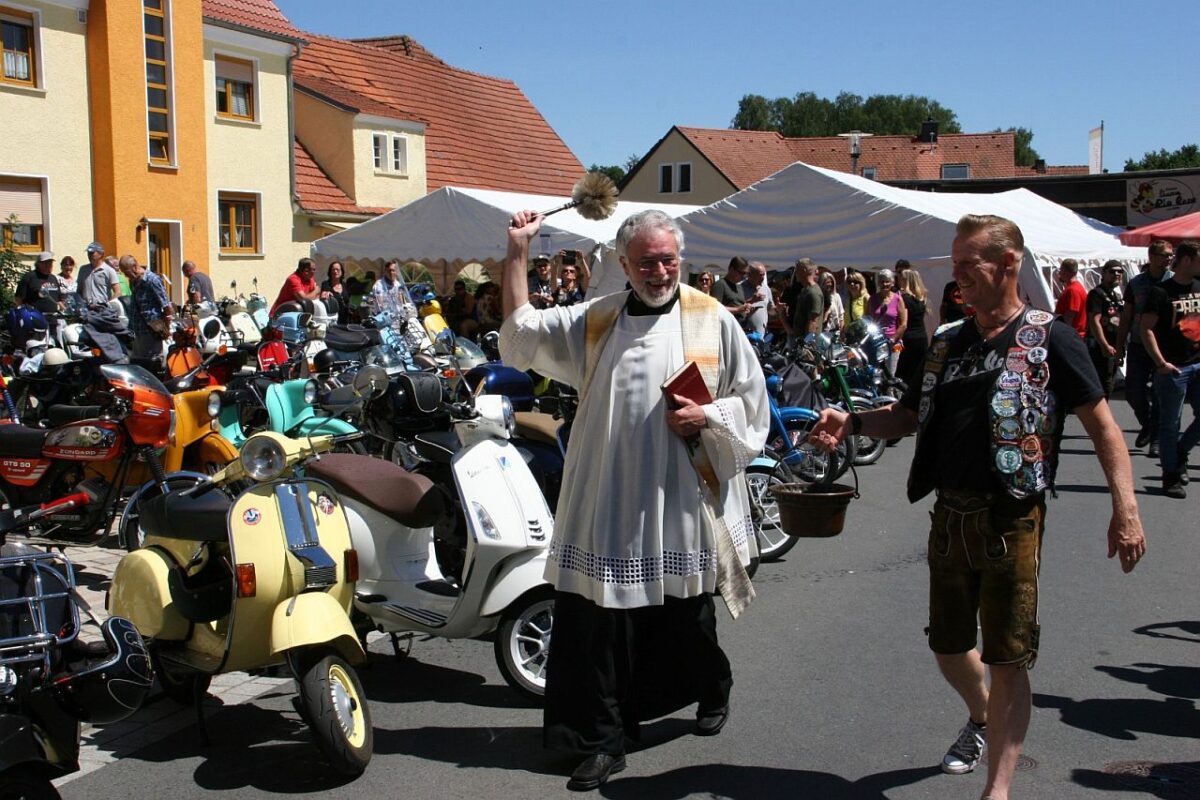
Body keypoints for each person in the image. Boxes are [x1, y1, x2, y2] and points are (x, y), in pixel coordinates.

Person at [810, 213, 1146, 800]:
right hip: (950, 515)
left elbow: (1104, 428)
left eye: (969, 263)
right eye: (956, 262)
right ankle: (983, 715)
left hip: (1012, 517)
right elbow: (908, 416)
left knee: (1008, 655)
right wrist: (854, 421)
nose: (957, 274)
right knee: (947, 645)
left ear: (1008, 264)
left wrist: (1126, 509)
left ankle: (999, 788)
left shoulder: (1051, 338)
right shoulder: (946, 341)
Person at [500, 208, 768, 792]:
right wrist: (518, 251)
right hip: (609, 493)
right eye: (646, 262)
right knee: (598, 621)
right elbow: (521, 336)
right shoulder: (597, 319)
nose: (660, 271)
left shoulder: (712, 319)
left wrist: (708, 416)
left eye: (668, 260)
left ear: (681, 259)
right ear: (623, 264)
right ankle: (602, 740)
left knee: (687, 618)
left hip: (681, 494)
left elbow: (752, 405)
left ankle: (713, 686)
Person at [1139, 239, 1200, 499]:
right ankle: (1170, 476)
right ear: (1186, 260)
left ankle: (1180, 452)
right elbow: (1146, 329)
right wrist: (1160, 362)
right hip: (1173, 368)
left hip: (1197, 363)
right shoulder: (1161, 292)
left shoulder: (1199, 286)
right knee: (1170, 424)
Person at [1116, 239, 1175, 455]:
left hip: (1164, 346)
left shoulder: (1174, 281)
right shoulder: (1136, 283)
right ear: (1151, 257)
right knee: (1133, 392)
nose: (1169, 259)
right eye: (1164, 255)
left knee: (1160, 393)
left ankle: (1156, 439)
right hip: (1139, 344)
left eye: (1171, 255)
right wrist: (1119, 346)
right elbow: (1126, 317)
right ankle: (1147, 423)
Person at [118, 255, 173, 364]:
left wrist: (166, 327)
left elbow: (166, 305)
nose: (125, 275)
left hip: (152, 330)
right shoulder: (134, 281)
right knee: (138, 362)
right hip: (137, 330)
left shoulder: (152, 280)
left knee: (153, 362)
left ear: (134, 267)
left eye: (126, 272)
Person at [1085, 260, 1125, 399]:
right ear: (1103, 273)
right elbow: (1094, 321)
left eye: (1120, 271)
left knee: (1108, 384)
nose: (1117, 274)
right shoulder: (1097, 294)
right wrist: (1104, 345)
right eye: (1112, 271)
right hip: (1100, 348)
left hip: (1114, 347)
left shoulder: (1115, 296)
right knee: (1102, 384)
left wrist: (1120, 347)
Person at [868, 267, 907, 374]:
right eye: (882, 281)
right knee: (877, 373)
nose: (884, 284)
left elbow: (903, 324)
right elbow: (868, 319)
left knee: (890, 373)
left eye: (887, 281)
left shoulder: (898, 299)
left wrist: (893, 339)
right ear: (878, 283)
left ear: (892, 283)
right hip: (876, 342)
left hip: (892, 343)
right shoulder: (872, 299)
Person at [897, 268, 930, 386]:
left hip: (909, 338)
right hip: (922, 336)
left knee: (903, 373)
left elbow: (903, 322)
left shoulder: (903, 298)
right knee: (918, 370)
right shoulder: (921, 298)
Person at [15, 251, 64, 316]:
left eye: (50, 262)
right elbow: (19, 298)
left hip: (53, 317)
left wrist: (63, 309)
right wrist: (20, 314)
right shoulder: (29, 277)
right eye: (45, 263)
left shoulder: (53, 278)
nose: (48, 265)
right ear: (38, 264)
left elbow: (58, 299)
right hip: (34, 317)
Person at [786, 259, 823, 344]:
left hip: (807, 344)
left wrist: (806, 344)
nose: (795, 273)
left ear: (804, 270)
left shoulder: (813, 292)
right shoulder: (805, 290)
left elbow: (813, 321)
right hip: (799, 340)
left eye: (797, 270)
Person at [1054, 259, 1087, 338]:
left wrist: (1062, 335)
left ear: (1067, 272)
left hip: (1073, 336)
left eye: (1061, 270)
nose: (1059, 273)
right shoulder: (1074, 287)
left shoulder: (1073, 290)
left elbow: (1070, 316)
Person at [742, 261, 774, 336]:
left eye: (764, 275)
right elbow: (735, 308)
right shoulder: (740, 288)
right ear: (750, 275)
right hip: (744, 334)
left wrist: (778, 309)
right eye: (760, 275)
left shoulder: (766, 289)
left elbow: (770, 310)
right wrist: (751, 300)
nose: (763, 278)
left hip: (761, 335)